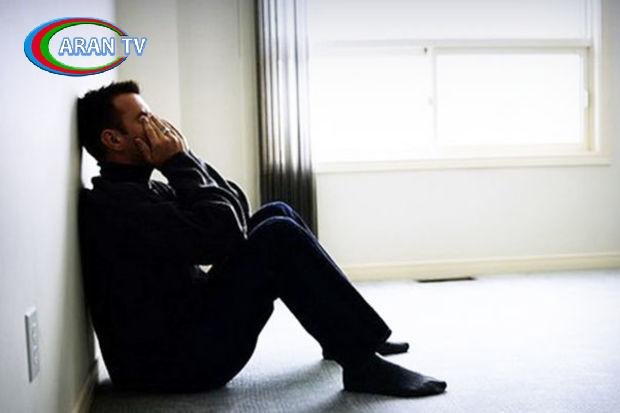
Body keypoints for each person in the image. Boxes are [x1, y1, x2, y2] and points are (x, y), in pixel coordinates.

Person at [77, 80, 447, 398]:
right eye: (144, 119)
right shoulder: (117, 206)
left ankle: (344, 338)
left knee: (275, 212)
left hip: (184, 331)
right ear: (113, 139)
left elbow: (236, 210)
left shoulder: (142, 190)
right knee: (277, 236)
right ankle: (362, 364)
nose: (158, 127)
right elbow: (221, 235)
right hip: (172, 364)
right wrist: (178, 163)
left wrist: (186, 158)